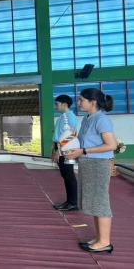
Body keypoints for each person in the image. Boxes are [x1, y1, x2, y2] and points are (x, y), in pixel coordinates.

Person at [65, 88, 117, 254]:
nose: (79, 103)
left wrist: (84, 151)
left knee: (100, 202)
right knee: (95, 203)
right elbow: (82, 141)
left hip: (98, 165)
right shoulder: (88, 118)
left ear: (92, 102)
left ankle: (105, 242)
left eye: (81, 100)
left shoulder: (101, 119)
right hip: (88, 164)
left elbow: (112, 145)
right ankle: (99, 238)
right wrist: (69, 145)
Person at [51, 95, 79, 211]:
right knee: (65, 175)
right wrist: (53, 149)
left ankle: (73, 203)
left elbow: (71, 136)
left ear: (64, 104)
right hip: (60, 149)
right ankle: (69, 201)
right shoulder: (62, 117)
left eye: (57, 104)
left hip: (67, 151)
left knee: (69, 175)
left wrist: (59, 151)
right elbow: (58, 135)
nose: (56, 106)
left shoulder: (71, 117)